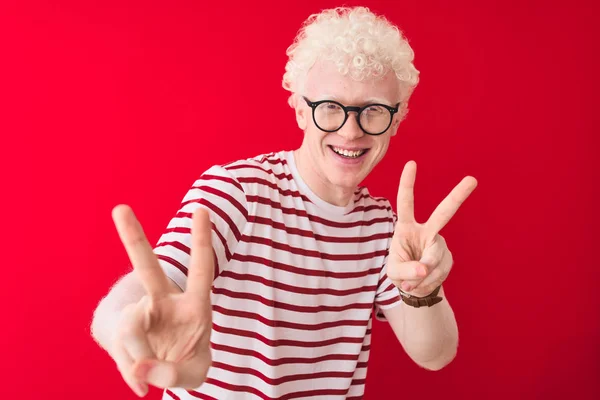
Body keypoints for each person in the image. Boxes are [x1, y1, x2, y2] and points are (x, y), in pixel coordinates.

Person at [91, 6, 478, 399]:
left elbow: (435, 355)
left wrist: (423, 289)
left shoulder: (384, 228)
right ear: (299, 110)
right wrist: (128, 328)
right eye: (330, 107)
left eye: (373, 110)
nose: (350, 130)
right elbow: (141, 290)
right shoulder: (237, 192)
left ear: (396, 120)